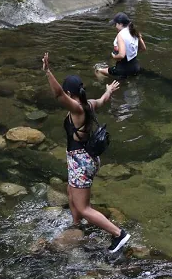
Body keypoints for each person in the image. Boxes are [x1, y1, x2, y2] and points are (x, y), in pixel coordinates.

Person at [42, 52, 131, 253]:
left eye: (67, 94)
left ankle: (119, 234)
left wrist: (48, 71)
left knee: (84, 207)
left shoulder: (77, 109)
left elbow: (57, 95)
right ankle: (77, 226)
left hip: (81, 162)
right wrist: (109, 90)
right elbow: (103, 99)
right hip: (82, 159)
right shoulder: (89, 104)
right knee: (71, 193)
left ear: (70, 93)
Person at [96, 12, 146, 79]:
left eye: (115, 24)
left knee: (98, 71)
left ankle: (104, 86)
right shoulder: (134, 31)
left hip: (123, 70)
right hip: (136, 67)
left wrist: (114, 56)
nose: (115, 26)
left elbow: (121, 55)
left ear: (120, 24)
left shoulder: (121, 35)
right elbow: (143, 48)